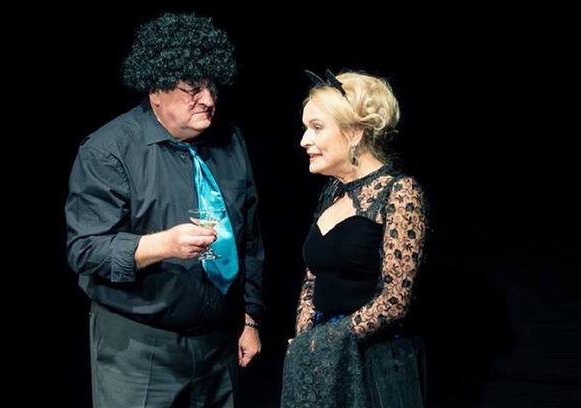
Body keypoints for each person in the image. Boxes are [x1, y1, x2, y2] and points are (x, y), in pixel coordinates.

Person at [65, 13, 264, 408]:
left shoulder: (230, 142)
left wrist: (250, 318)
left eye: (212, 86)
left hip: (218, 345)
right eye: (193, 89)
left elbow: (250, 239)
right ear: (156, 89)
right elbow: (84, 250)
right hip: (139, 348)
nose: (208, 100)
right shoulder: (108, 151)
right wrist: (164, 245)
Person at [281, 70, 429, 408]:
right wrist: (306, 339)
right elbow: (313, 277)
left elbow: (394, 300)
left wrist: (326, 342)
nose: (304, 140)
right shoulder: (333, 191)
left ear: (354, 133)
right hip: (324, 357)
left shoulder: (399, 192)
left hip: (374, 362)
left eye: (317, 127)